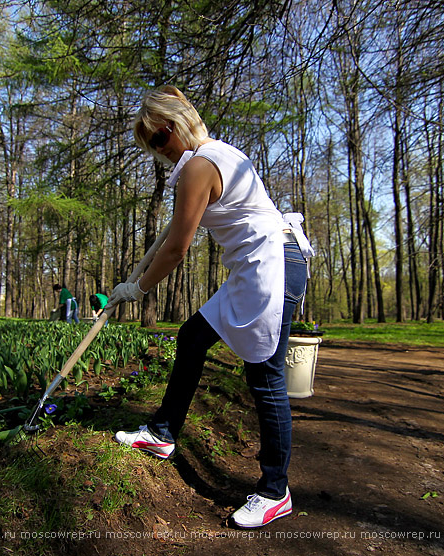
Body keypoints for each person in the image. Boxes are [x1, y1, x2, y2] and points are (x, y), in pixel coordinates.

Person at [108, 86, 314, 529]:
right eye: (152, 145)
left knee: (265, 376)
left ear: (177, 125)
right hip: (261, 262)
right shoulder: (216, 153)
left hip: (270, 264)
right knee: (193, 336)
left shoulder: (199, 167)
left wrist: (137, 288)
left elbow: (177, 249)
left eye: (161, 138)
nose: (159, 151)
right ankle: (162, 433)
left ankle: (275, 491)